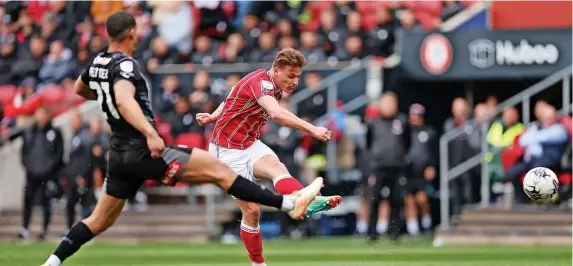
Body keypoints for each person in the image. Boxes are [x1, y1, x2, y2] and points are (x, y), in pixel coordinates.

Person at [41, 12, 323, 266]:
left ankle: (53, 261)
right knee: (220, 172)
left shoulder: (97, 63)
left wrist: (104, 97)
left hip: (118, 155)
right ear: (130, 35)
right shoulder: (126, 65)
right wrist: (151, 133)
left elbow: (81, 88)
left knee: (99, 220)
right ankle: (289, 204)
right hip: (145, 150)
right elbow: (125, 101)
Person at [196, 47, 342, 266]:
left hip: (249, 143)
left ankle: (306, 201)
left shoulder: (270, 84)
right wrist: (312, 129)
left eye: (298, 77)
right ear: (276, 70)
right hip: (226, 153)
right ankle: (258, 263)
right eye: (290, 76)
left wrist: (212, 117)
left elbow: (231, 96)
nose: (294, 82)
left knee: (278, 168)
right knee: (252, 211)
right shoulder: (262, 84)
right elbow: (277, 114)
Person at [363, 92, 410, 242]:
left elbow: (407, 141)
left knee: (396, 200)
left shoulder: (402, 121)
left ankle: (395, 232)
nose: (389, 106)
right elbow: (368, 142)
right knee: (374, 199)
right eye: (386, 103)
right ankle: (372, 232)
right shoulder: (373, 123)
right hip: (378, 167)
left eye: (391, 103)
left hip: (396, 167)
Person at [14, 107, 64, 241]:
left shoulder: (55, 132)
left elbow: (58, 154)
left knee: (46, 202)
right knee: (27, 201)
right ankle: (25, 229)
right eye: (39, 114)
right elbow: (24, 152)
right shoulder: (29, 132)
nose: (41, 117)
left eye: (44, 114)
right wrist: (29, 166)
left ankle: (44, 230)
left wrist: (49, 170)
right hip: (31, 174)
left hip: (47, 175)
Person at [405, 104, 437, 234]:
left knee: (422, 199)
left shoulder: (429, 132)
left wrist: (432, 166)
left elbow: (433, 152)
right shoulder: (405, 132)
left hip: (423, 171)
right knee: (409, 199)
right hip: (408, 170)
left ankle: (426, 223)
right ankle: (413, 229)